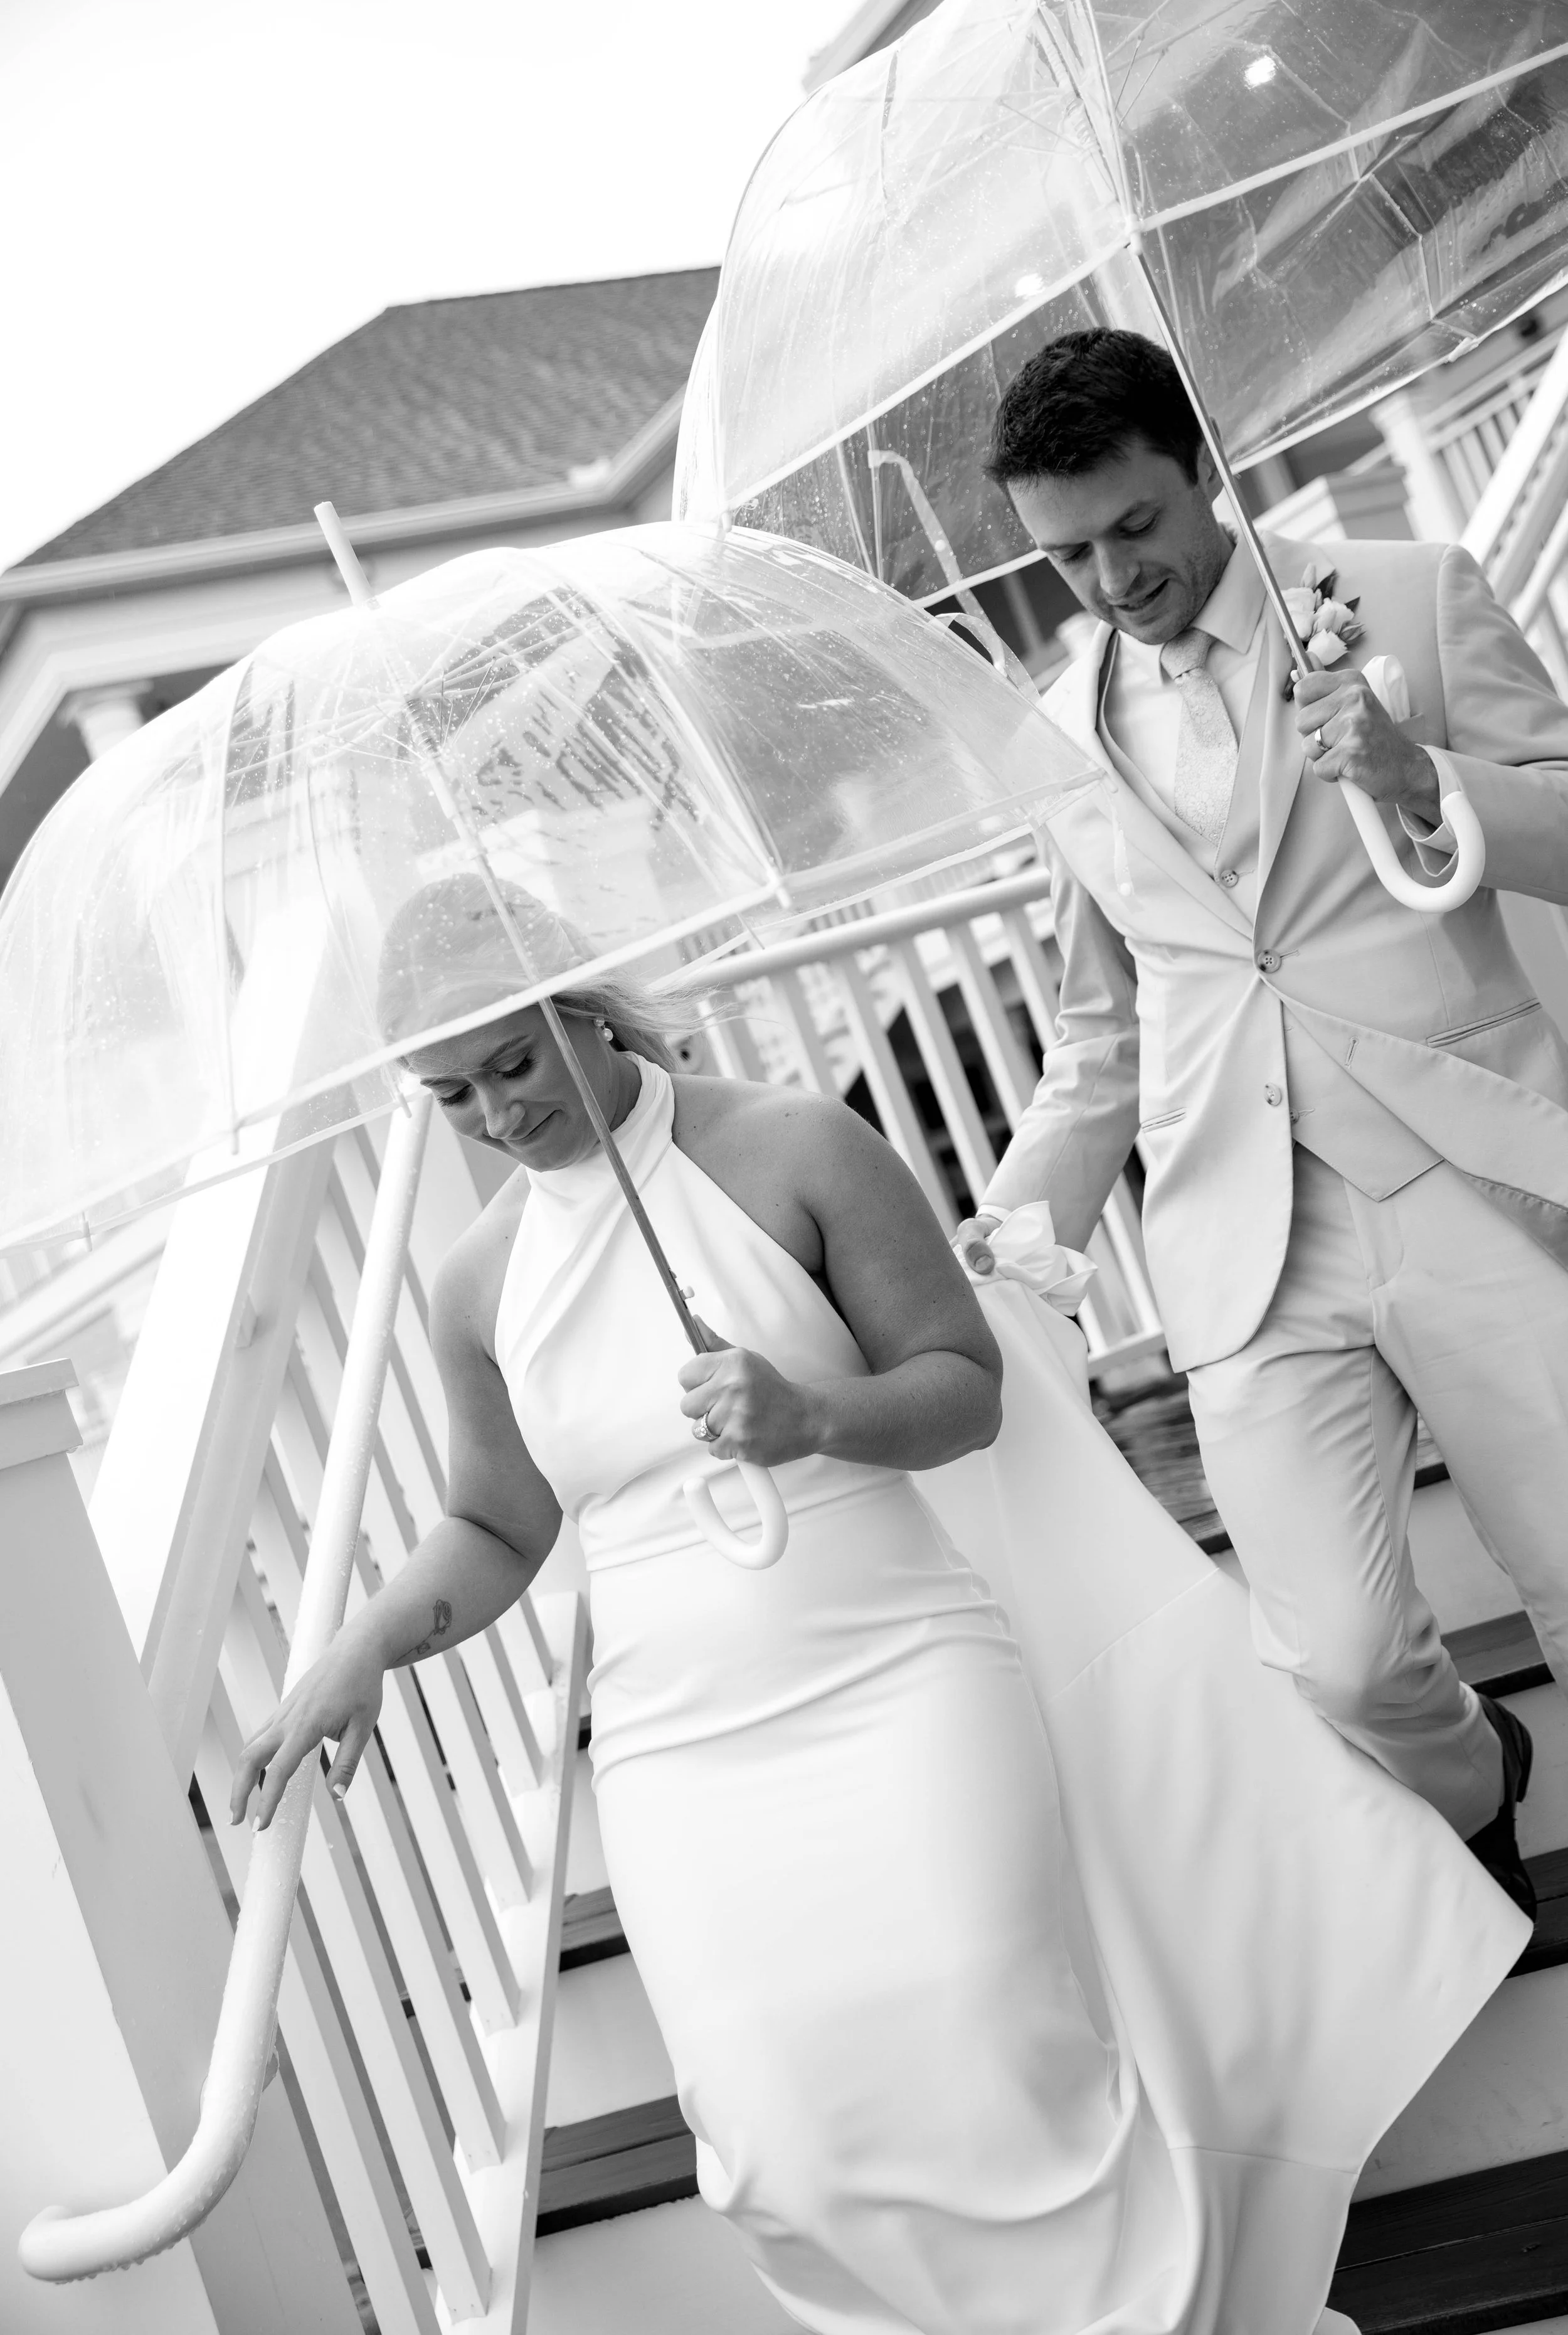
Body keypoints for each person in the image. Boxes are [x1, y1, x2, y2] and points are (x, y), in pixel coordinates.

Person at [230, 878, 1522, 2335]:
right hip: (677, 1744)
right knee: (779, 2138)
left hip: (896, 1681)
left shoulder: (791, 1147)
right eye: (452, 1097)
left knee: (998, 2055)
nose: (497, 1116)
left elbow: (958, 1392)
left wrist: (810, 1414)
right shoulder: (478, 1285)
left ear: (577, 1004)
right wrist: (360, 1646)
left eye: (515, 1066)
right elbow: (492, 1523)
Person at [956, 327, 1568, 1918]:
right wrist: (1026, 1223)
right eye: (1064, 554)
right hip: (1239, 1232)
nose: (1107, 578)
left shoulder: (1408, 596)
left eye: (1134, 527)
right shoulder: (1051, 733)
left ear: (1198, 469)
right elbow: (1106, 1022)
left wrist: (1419, 775)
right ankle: (1477, 1773)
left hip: (1475, 1171)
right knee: (1344, 1664)